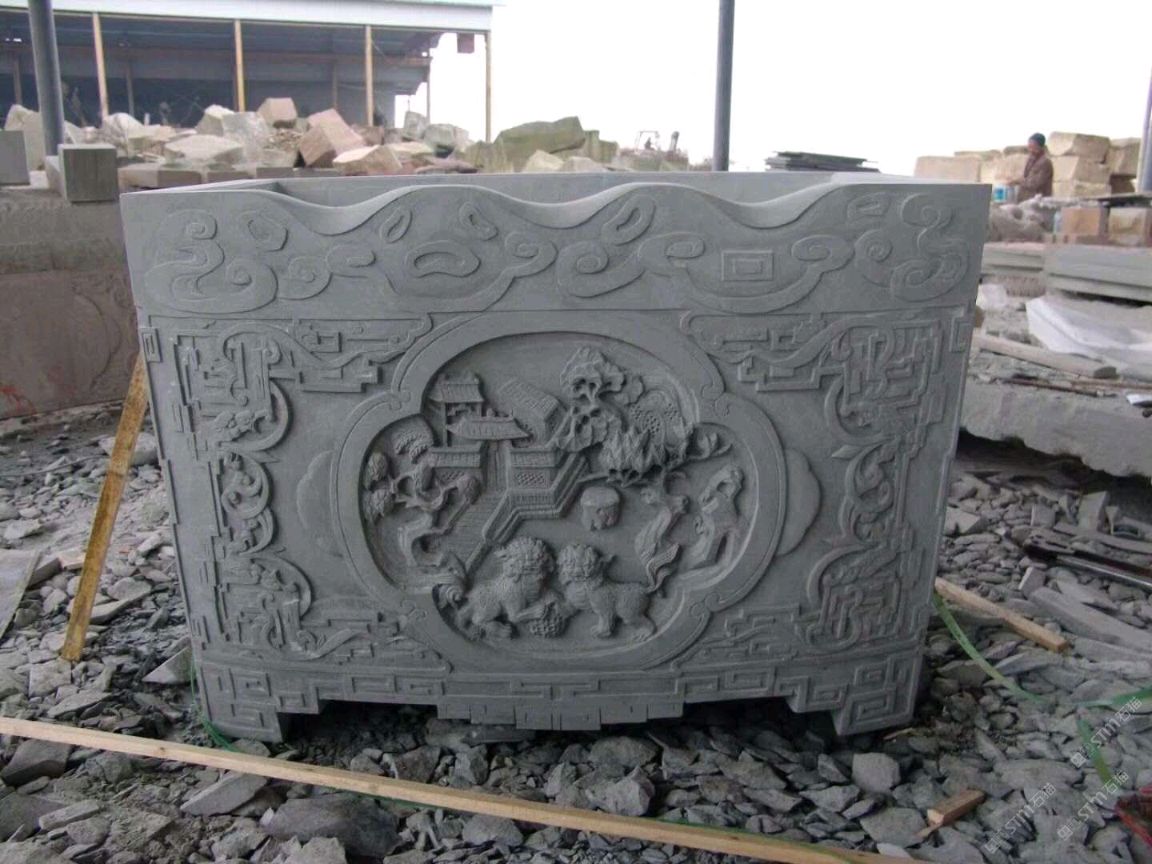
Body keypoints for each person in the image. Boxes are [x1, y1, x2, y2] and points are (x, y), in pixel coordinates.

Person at [1010, 133, 1053, 201]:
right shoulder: (1030, 160)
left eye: (1033, 147)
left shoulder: (1045, 163)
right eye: (1029, 147)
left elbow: (1035, 183)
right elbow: (1025, 177)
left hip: (1039, 201)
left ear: (1040, 147)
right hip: (1025, 200)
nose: (1030, 150)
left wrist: (1018, 181)